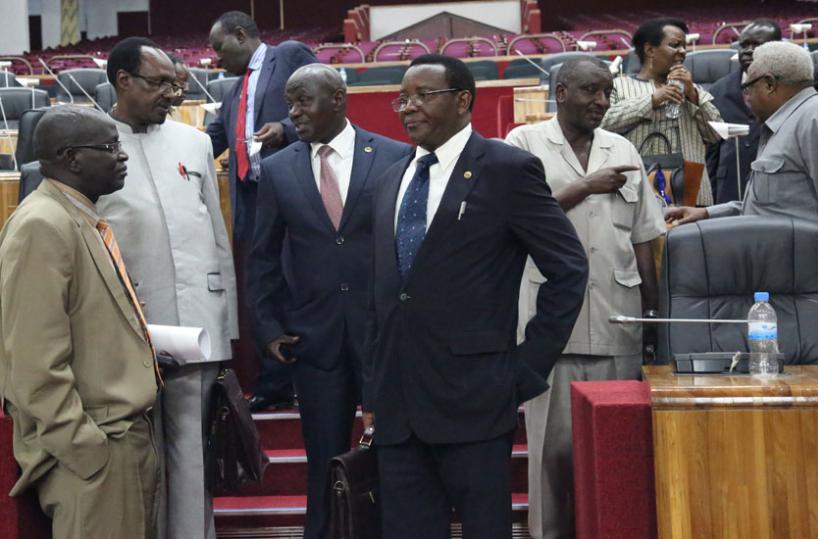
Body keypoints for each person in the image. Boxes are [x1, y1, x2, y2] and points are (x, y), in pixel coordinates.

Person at [363, 54, 589, 539]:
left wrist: (526, 368)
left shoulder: (507, 169)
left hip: (477, 399)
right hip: (399, 405)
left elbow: (568, 269)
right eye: (403, 98)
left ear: (464, 100)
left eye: (424, 95)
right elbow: (381, 294)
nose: (408, 107)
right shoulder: (388, 179)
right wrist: (373, 387)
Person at [248, 63, 409, 539]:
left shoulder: (395, 155)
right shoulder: (278, 169)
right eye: (290, 102)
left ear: (338, 100)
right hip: (313, 339)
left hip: (386, 334)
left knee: (397, 452)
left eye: (303, 101)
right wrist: (269, 327)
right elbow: (263, 257)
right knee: (322, 457)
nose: (293, 112)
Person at [506, 57, 665, 539]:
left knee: (618, 457)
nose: (601, 102)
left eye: (607, 93)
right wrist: (583, 188)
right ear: (562, 92)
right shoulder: (523, 145)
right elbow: (512, 223)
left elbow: (644, 238)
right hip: (550, 327)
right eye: (591, 91)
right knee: (551, 460)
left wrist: (655, 317)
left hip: (619, 319)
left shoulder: (623, 148)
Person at [97, 37, 238, 539]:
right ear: (123, 80)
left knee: (191, 455)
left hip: (195, 326)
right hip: (122, 333)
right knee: (132, 457)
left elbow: (216, 238)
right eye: (159, 84)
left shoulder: (194, 141)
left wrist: (226, 327)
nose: (172, 95)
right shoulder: (90, 142)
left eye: (176, 85)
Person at [0, 105, 159, 538]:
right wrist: (84, 449)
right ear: (71, 158)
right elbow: (33, 360)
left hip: (121, 438)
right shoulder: (42, 225)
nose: (122, 156)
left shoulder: (78, 216)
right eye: (110, 147)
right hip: (94, 452)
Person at [207, 10, 317, 411]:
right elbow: (213, 139)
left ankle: (316, 376)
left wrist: (285, 128)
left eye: (219, 48)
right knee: (263, 291)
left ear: (241, 35)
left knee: (301, 285)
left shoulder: (287, 55)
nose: (215, 58)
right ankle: (274, 383)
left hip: (293, 195)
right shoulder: (234, 91)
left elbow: (323, 97)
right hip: (251, 200)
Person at [666, 41, 818, 225]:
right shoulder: (781, 125)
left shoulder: (815, 118)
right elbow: (769, 208)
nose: (747, 98)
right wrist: (707, 213)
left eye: (748, 89)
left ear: (769, 84)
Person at [601, 17, 722, 206]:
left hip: (691, 190)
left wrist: (693, 95)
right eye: (675, 45)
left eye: (684, 45)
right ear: (650, 50)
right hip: (638, 187)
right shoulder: (618, 86)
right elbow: (603, 124)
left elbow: (716, 133)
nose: (683, 51)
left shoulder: (693, 89)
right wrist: (651, 101)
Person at [705, 19, 782, 204]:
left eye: (757, 45)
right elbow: (712, 153)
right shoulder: (718, 91)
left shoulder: (789, 88)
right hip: (729, 188)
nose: (748, 50)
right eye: (744, 45)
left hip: (778, 187)